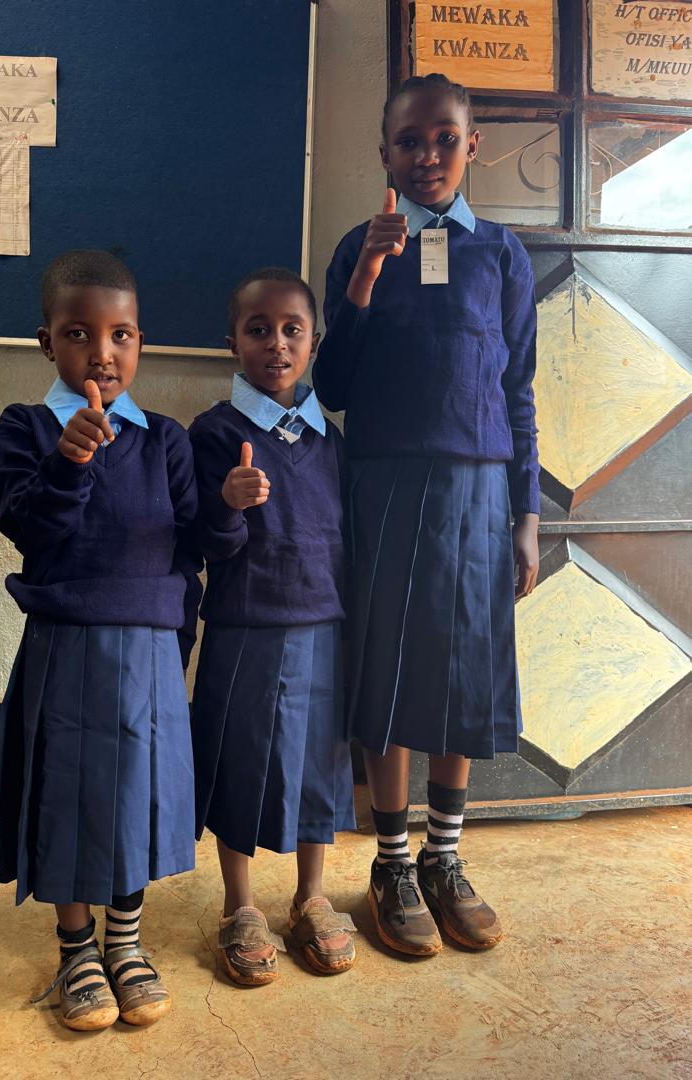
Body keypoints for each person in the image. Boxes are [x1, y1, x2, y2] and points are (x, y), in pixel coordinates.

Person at [313, 74, 540, 956]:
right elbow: (333, 386)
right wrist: (368, 276)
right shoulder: (356, 249)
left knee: (462, 666)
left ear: (472, 145)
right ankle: (393, 861)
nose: (428, 156)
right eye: (409, 142)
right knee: (392, 664)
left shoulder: (502, 256)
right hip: (386, 484)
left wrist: (525, 514)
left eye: (445, 138)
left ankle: (444, 857)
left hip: (479, 492)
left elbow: (517, 391)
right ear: (384, 155)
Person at [0, 250, 200, 1030]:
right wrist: (70, 460)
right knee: (69, 796)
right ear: (48, 342)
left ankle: (126, 941)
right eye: (79, 334)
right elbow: (28, 528)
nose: (102, 353)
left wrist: (234, 512)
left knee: (136, 796)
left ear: (140, 341)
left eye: (121, 335)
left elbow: (189, 543)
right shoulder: (25, 429)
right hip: (67, 644)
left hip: (148, 651)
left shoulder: (166, 439)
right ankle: (76, 947)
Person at [189, 267, 357, 985]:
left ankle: (311, 896)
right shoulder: (214, 433)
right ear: (232, 342)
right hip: (245, 624)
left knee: (320, 763)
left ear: (314, 342)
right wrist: (227, 503)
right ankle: (240, 905)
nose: (276, 344)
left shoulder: (332, 442)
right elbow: (201, 540)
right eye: (258, 330)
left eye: (293, 330)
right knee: (240, 759)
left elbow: (349, 540)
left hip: (323, 624)